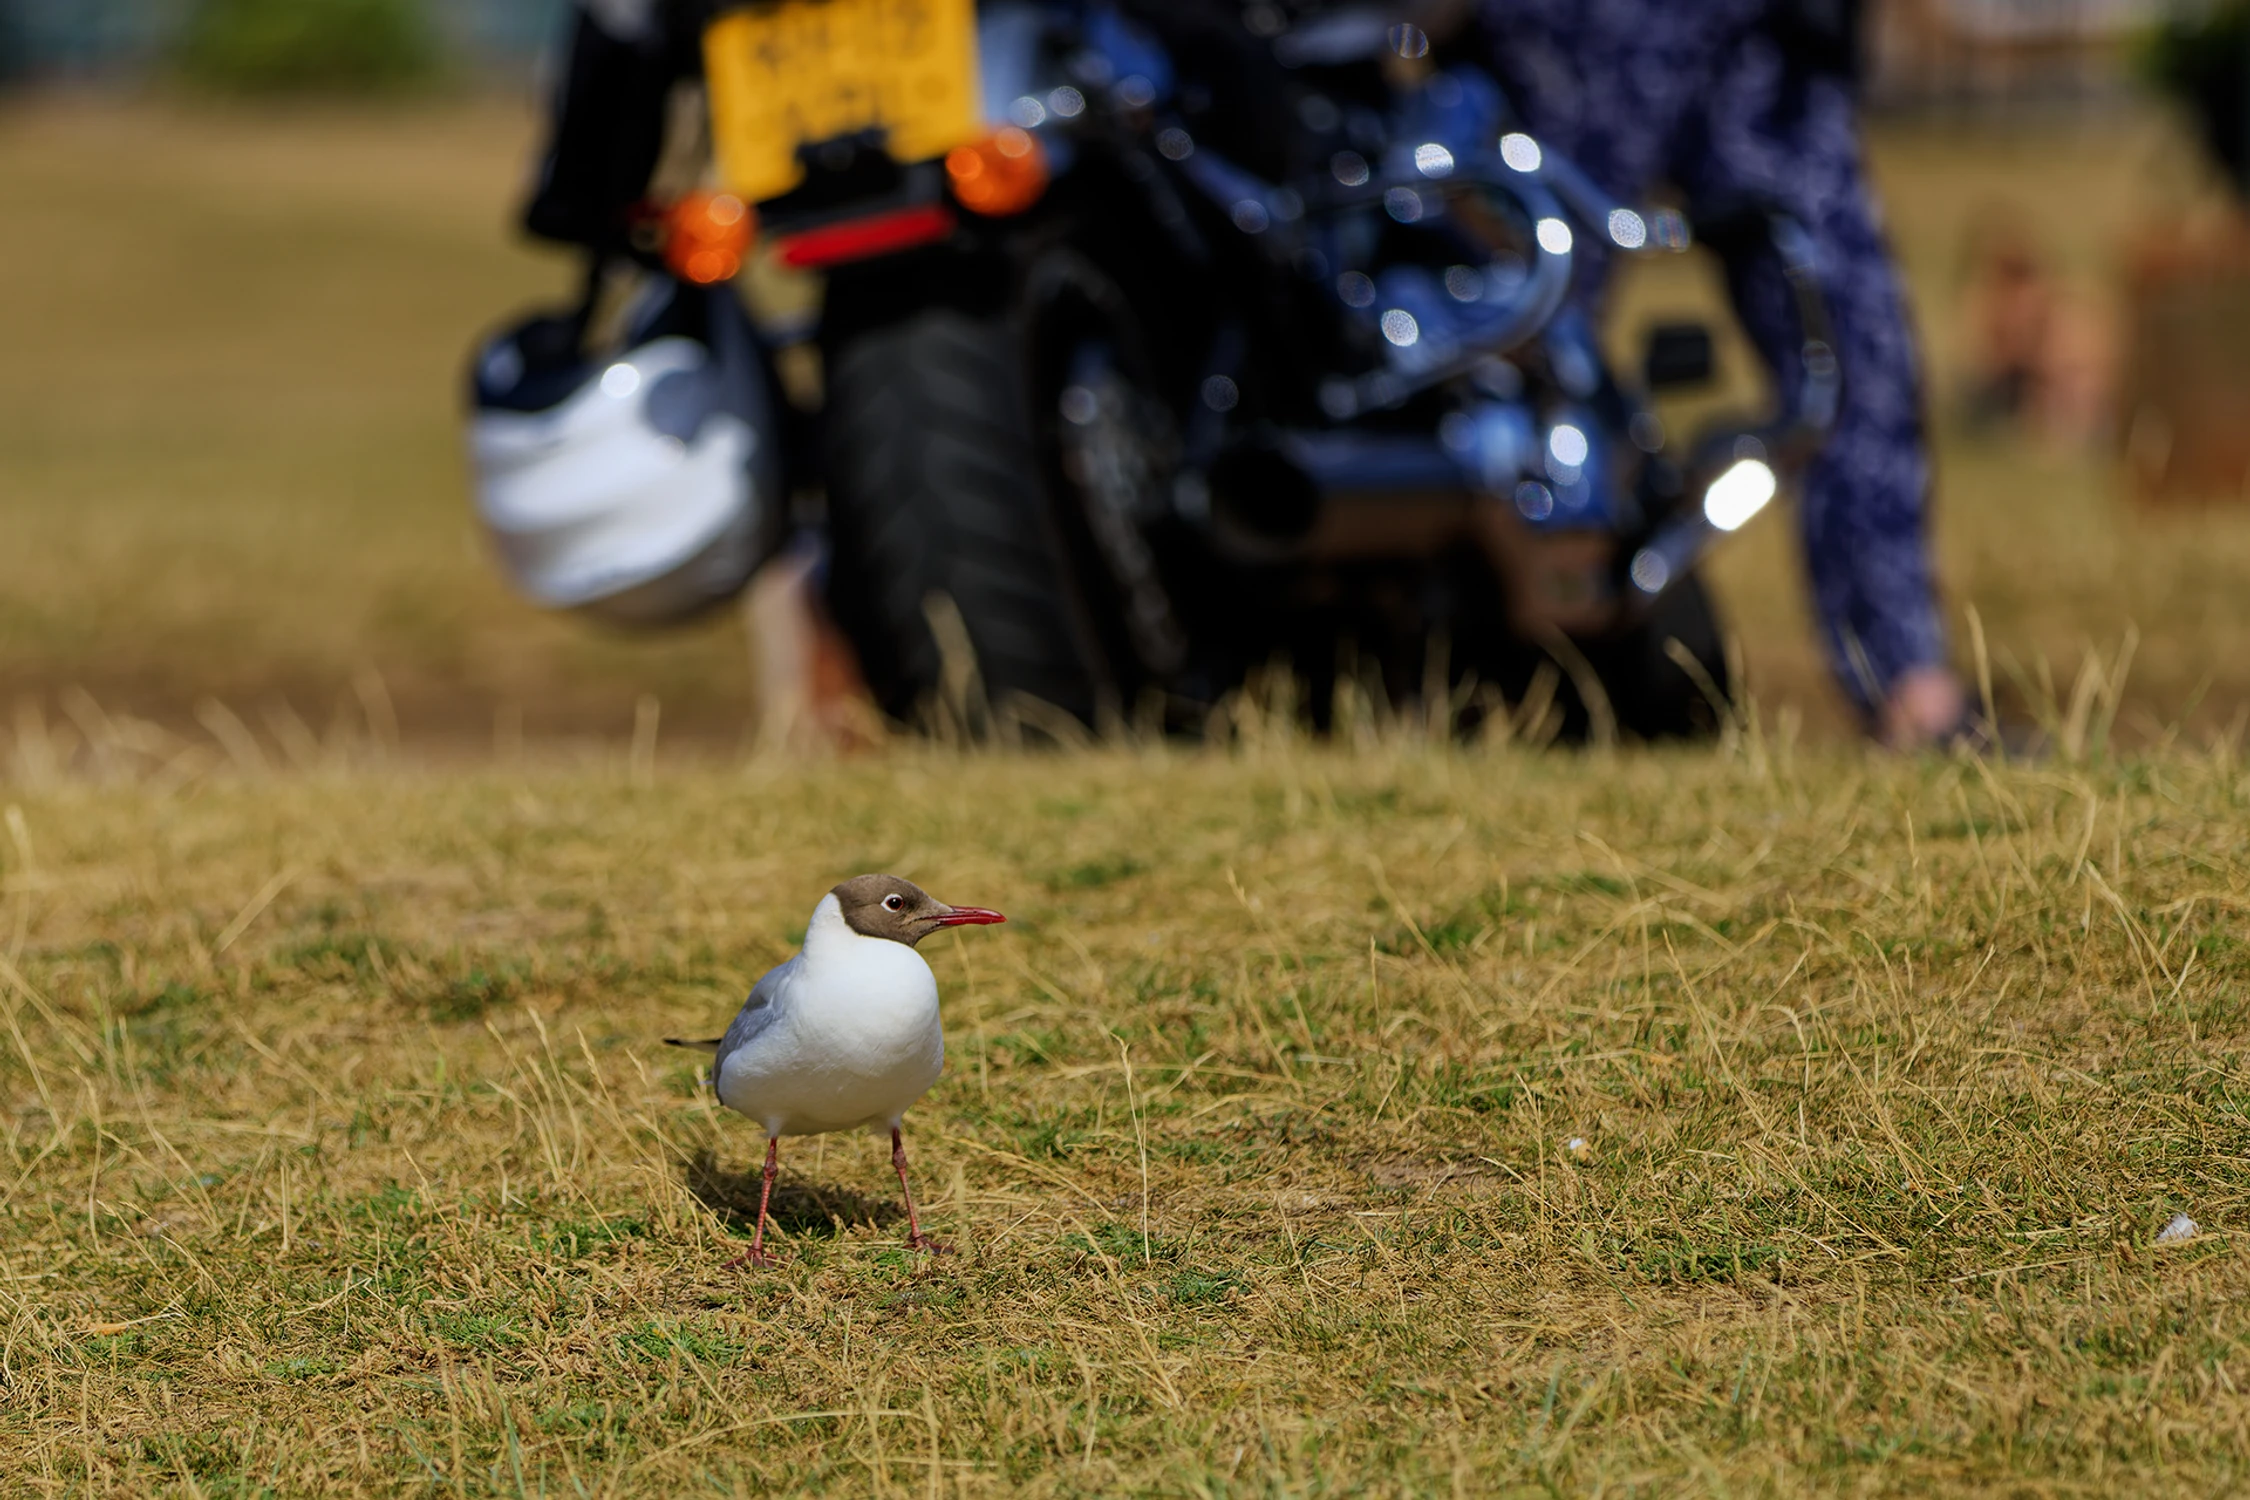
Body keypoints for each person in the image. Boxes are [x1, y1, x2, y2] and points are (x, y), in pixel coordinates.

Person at [1473, 0, 1968, 746]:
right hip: (1581, 24)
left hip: (1756, 31)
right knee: (1522, 326)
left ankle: (1910, 687)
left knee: (1849, 335)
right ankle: (1489, 653)